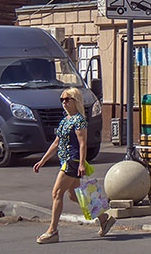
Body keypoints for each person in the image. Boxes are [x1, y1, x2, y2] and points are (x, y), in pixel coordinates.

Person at [32, 86, 115, 243]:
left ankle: (52, 231)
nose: (64, 102)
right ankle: (104, 218)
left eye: (67, 99)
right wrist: (43, 160)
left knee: (56, 193)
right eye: (62, 99)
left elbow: (83, 144)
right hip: (65, 160)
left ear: (75, 101)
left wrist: (82, 163)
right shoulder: (65, 120)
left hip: (73, 160)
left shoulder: (79, 121)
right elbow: (56, 143)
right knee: (75, 194)